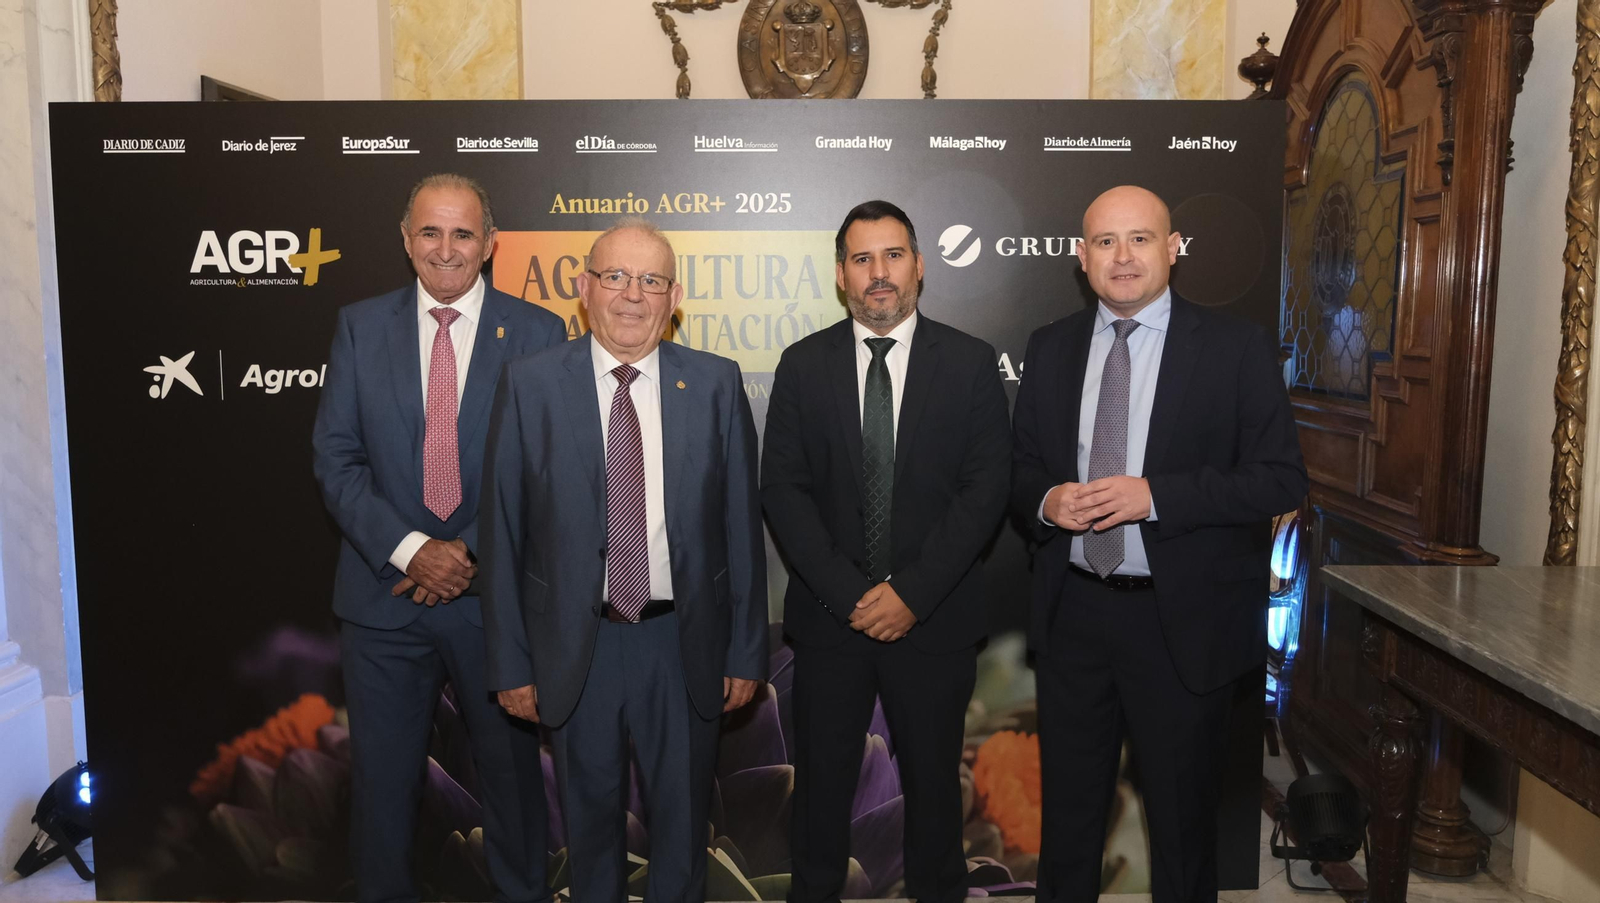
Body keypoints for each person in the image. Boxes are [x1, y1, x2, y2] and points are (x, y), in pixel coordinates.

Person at [1010, 185, 1307, 903]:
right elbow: (1019, 471)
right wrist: (1049, 501)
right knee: (1071, 825)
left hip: (1181, 625)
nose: (1123, 256)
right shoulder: (1050, 347)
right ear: (1081, 259)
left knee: (1180, 831)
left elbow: (1278, 479)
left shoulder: (1234, 348)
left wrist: (1156, 495)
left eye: (1140, 238)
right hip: (1073, 618)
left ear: (1173, 249)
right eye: (1105, 242)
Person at [480, 219, 767, 903]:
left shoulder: (716, 382)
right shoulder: (529, 384)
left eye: (651, 280)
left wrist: (747, 651)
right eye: (616, 276)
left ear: (674, 296)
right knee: (590, 834)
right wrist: (512, 663)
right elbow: (503, 532)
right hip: (579, 648)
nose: (632, 294)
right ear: (585, 288)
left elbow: (741, 530)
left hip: (683, 643)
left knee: (682, 833)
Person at [312, 172, 566, 903]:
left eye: (462, 233)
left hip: (497, 607)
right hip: (382, 602)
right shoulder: (360, 326)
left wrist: (469, 552)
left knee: (515, 786)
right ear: (405, 239)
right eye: (430, 232)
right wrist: (411, 549)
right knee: (383, 791)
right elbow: (335, 457)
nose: (445, 249)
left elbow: (545, 468)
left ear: (490, 244)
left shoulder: (540, 333)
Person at [762, 200, 1012, 903]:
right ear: (841, 274)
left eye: (893, 255)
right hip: (829, 625)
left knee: (935, 800)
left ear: (920, 266)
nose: (879, 274)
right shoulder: (802, 365)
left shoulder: (968, 363)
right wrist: (852, 597)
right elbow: (783, 491)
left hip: (934, 624)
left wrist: (910, 594)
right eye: (863, 258)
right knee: (818, 802)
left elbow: (985, 490)